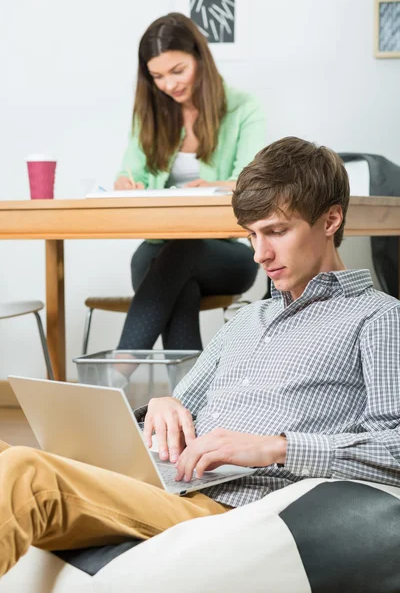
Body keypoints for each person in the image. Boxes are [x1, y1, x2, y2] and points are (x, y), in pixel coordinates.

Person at [1, 136, 400, 575]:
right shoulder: (250, 320)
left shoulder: (378, 318)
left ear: (331, 220)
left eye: (276, 231)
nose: (259, 254)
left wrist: (274, 447)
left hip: (222, 507)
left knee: (24, 472)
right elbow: (181, 404)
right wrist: (162, 404)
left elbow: (395, 447)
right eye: (251, 235)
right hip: (158, 478)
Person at [114, 12, 265, 352]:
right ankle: (187, 404)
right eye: (157, 76)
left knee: (184, 250)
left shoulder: (244, 108)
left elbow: (255, 183)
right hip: (157, 253)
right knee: (179, 280)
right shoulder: (150, 114)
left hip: (226, 253)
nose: (169, 84)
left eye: (177, 70)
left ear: (200, 57)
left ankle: (118, 371)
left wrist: (220, 186)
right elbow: (132, 173)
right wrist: (127, 183)